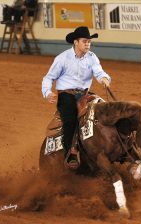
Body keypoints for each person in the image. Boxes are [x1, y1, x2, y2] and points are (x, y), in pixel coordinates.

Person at [41, 26, 111, 169]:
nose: (87, 44)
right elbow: (48, 78)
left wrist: (104, 78)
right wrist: (48, 93)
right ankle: (71, 152)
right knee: (71, 119)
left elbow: (99, 71)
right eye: (85, 41)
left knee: (103, 109)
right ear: (76, 42)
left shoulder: (92, 57)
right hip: (66, 95)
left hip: (85, 94)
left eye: (89, 42)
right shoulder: (62, 58)